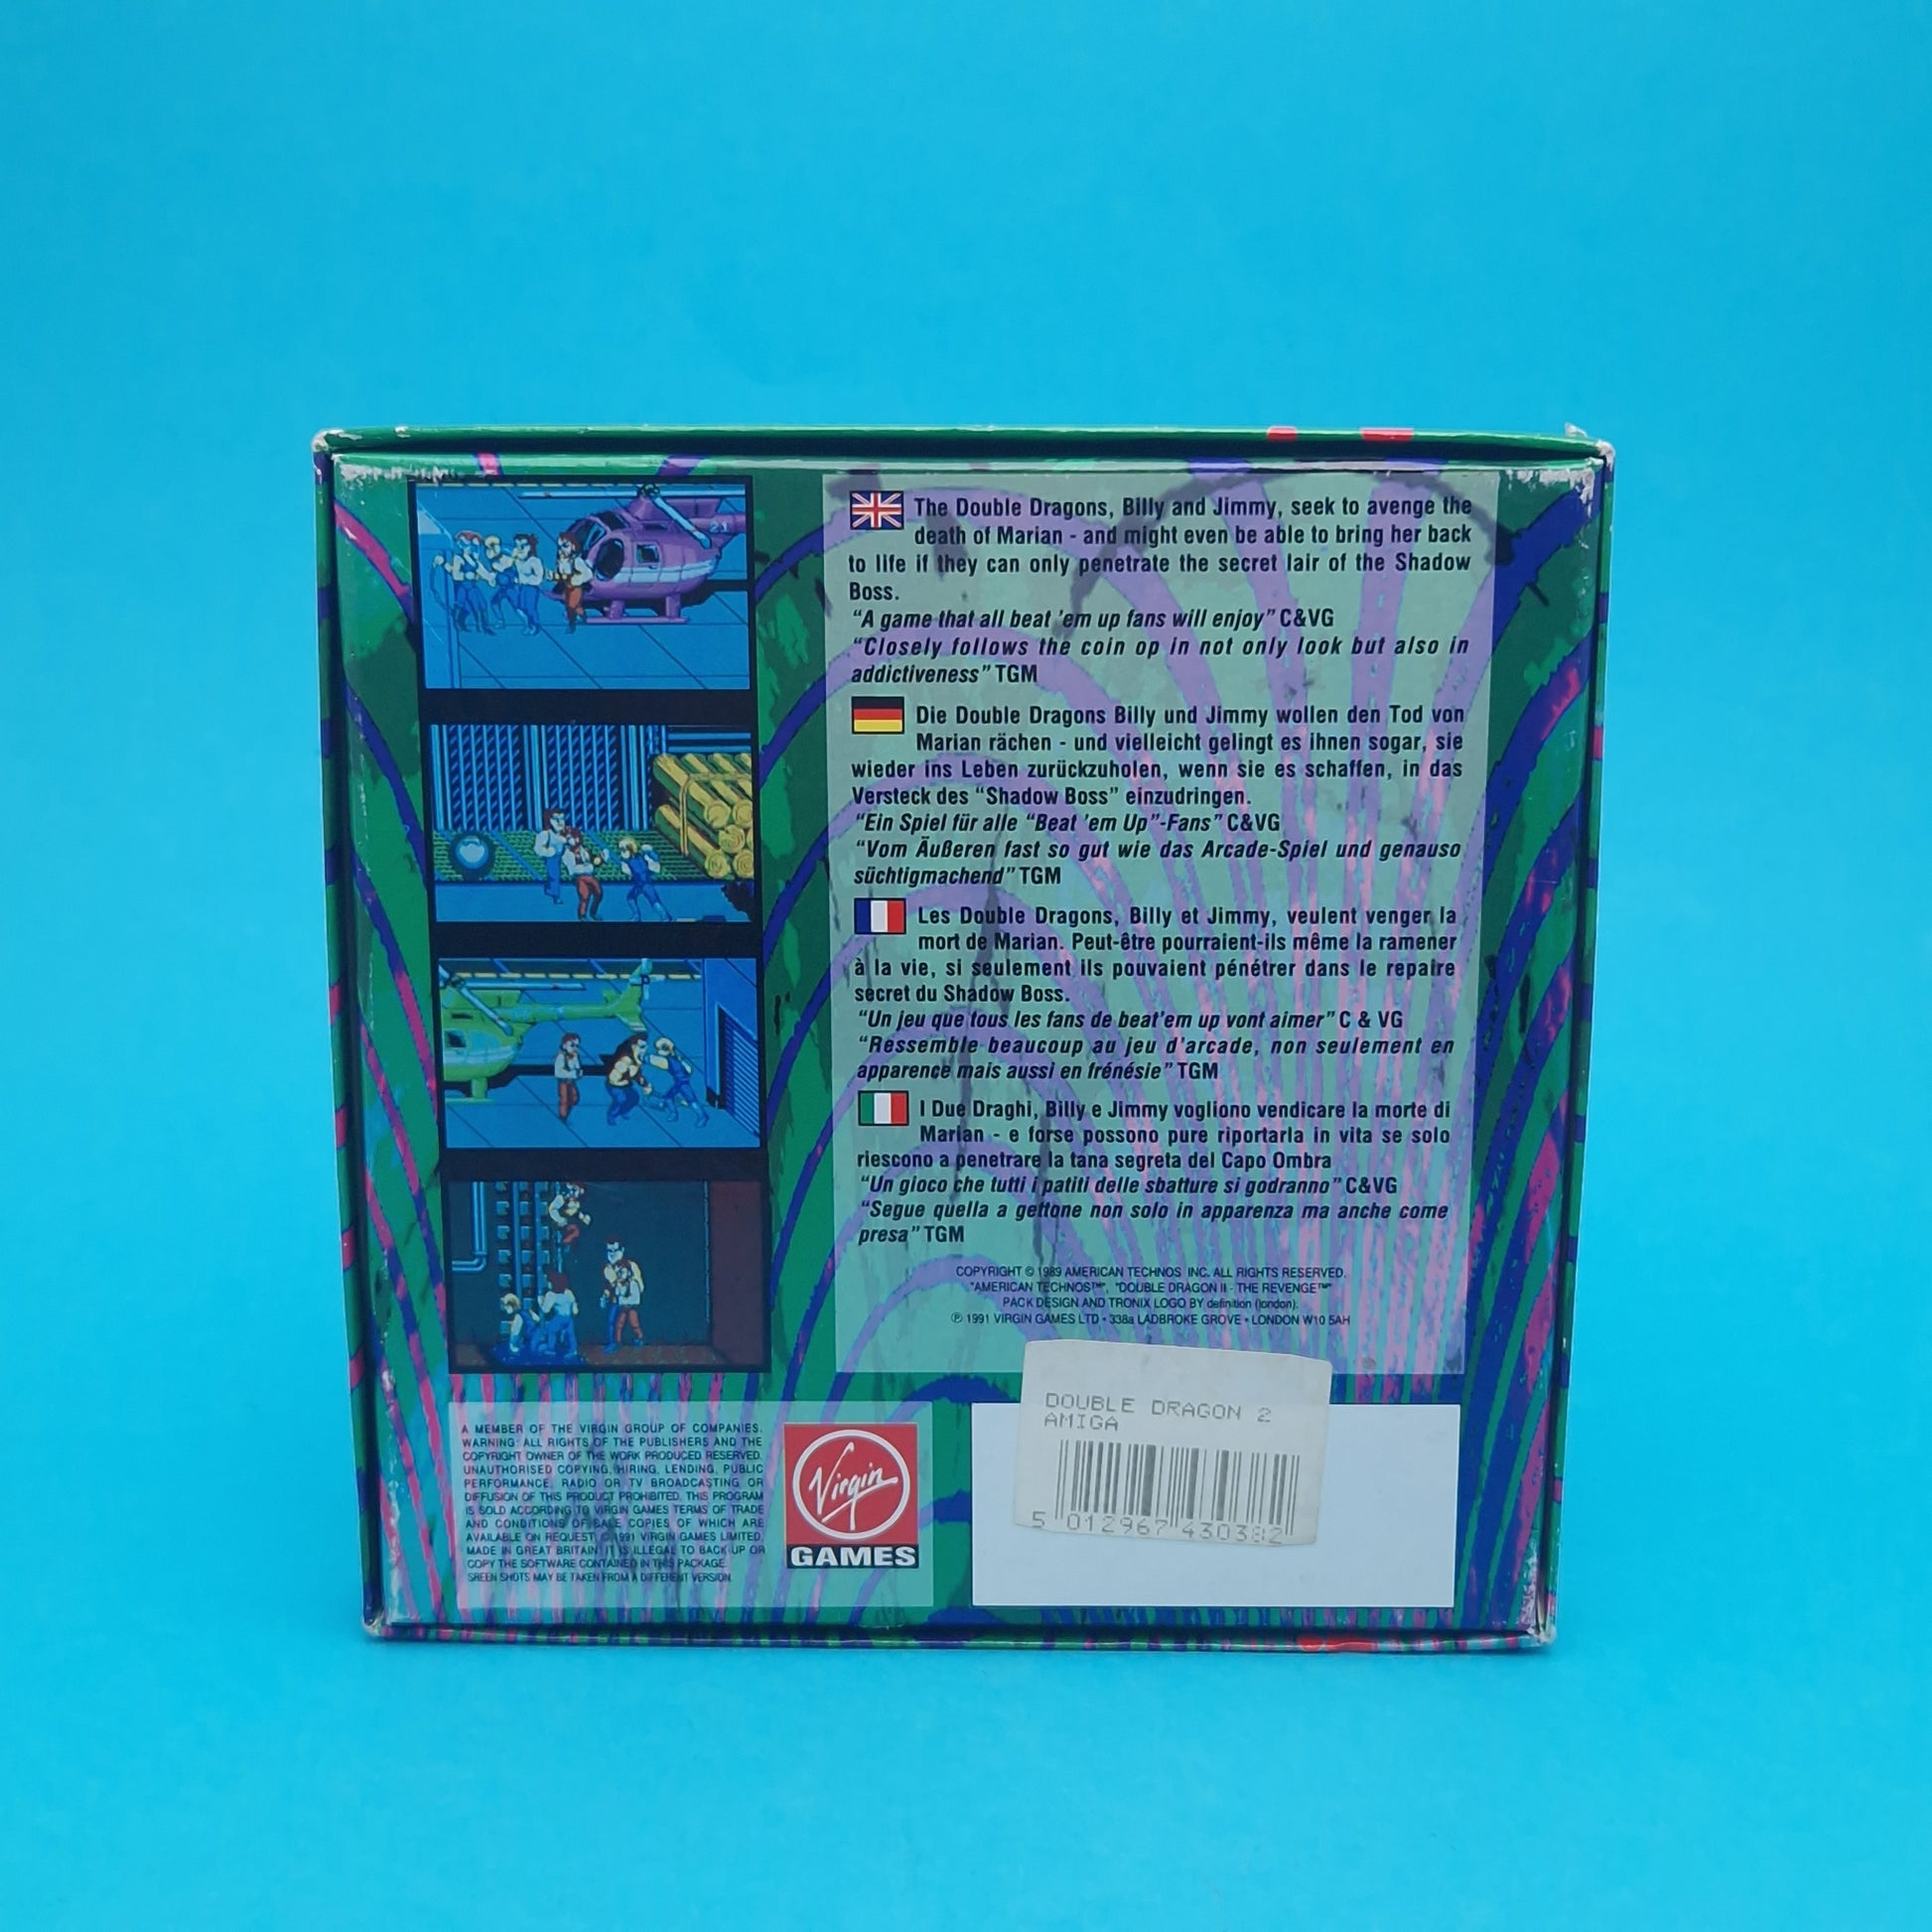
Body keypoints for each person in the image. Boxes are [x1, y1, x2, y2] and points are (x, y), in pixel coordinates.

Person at [651, 1035, 710, 1126]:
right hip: (679, 1083)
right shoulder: (675, 1058)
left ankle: (703, 1116)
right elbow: (689, 1070)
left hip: (683, 1084)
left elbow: (655, 1061)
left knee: (692, 1101)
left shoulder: (670, 1061)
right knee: (668, 1097)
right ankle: (673, 1114)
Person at [601, 1239, 645, 1349]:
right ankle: (614, 1342)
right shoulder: (607, 1268)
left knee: (634, 1323)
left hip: (630, 1303)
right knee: (614, 1323)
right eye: (609, 1251)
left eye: (615, 1250)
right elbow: (609, 1286)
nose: (612, 1254)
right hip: (616, 1302)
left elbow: (640, 1287)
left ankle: (639, 1338)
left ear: (622, 1250)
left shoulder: (631, 1266)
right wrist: (605, 1296)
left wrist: (630, 1295)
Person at [617, 835, 671, 920]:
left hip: (645, 884)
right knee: (631, 897)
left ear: (630, 849)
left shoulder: (639, 858)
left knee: (654, 900)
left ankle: (665, 917)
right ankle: (636, 916)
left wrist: (650, 851)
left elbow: (655, 859)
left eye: (623, 850)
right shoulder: (633, 859)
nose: (621, 853)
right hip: (639, 884)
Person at [561, 829, 611, 921]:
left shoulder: (584, 849)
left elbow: (593, 860)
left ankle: (593, 912)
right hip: (580, 878)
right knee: (585, 896)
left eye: (574, 837)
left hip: (590, 876)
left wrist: (601, 858)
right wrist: (588, 867)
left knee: (599, 893)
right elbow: (572, 870)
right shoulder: (568, 854)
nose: (573, 840)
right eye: (569, 838)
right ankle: (582, 916)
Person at [604, 1033, 651, 1126]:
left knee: (634, 1097)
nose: (644, 1050)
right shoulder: (624, 1062)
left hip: (625, 1085)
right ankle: (612, 1115)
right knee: (620, 1099)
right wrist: (624, 1082)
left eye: (645, 1047)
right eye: (641, 1047)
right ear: (633, 1047)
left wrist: (644, 1084)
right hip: (614, 1086)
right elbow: (612, 1079)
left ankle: (623, 1111)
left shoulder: (637, 1061)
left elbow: (638, 1076)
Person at [504, 533, 545, 631]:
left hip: (532, 588)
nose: (520, 549)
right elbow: (507, 566)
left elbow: (539, 578)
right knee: (521, 607)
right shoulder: (517, 561)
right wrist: (513, 557)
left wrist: (525, 580)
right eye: (517, 546)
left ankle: (535, 626)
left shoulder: (534, 561)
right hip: (521, 587)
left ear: (530, 547)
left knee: (530, 608)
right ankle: (528, 625)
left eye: (523, 546)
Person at [553, 533, 593, 629]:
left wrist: (578, 580)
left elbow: (588, 574)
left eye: (565, 546)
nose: (562, 550)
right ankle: (581, 616)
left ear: (573, 546)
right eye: (560, 547)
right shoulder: (562, 561)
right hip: (567, 587)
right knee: (570, 605)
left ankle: (572, 624)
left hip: (575, 588)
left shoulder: (577, 561)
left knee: (572, 605)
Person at [531, 807, 568, 903]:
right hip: (551, 858)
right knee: (554, 875)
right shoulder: (545, 834)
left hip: (562, 857)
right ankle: (555, 895)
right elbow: (538, 849)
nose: (559, 822)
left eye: (562, 819)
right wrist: (549, 852)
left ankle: (551, 888)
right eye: (556, 819)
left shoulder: (565, 834)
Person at [552, 1035, 583, 1123]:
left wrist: (578, 1071)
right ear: (564, 1045)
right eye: (572, 1045)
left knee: (574, 1097)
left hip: (571, 1081)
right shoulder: (561, 1056)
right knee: (564, 1099)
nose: (575, 1048)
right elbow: (558, 1072)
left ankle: (568, 1108)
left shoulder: (574, 1055)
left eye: (577, 1046)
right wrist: (573, 1074)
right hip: (563, 1082)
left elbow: (577, 1066)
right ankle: (563, 1116)